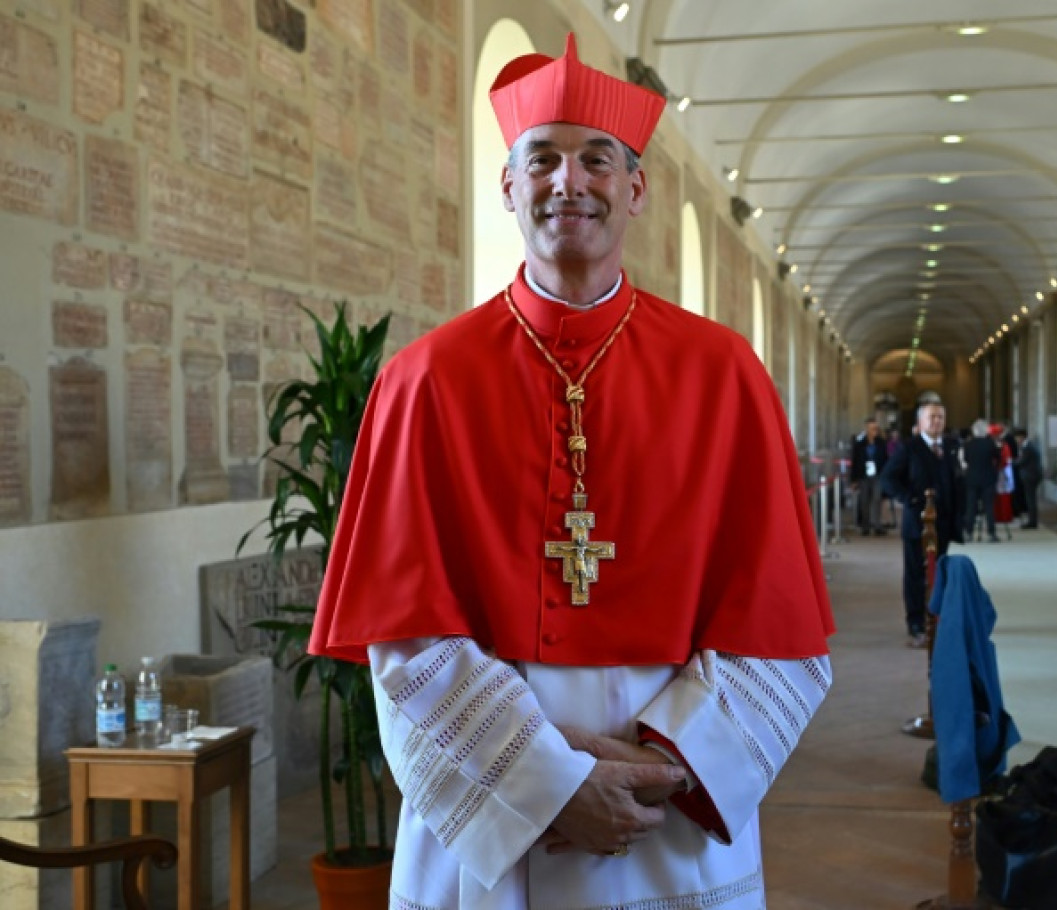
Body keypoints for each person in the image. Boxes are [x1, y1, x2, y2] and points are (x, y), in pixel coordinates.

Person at [307, 34, 834, 910]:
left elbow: (775, 631)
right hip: (492, 830)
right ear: (508, 185)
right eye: (542, 158)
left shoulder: (724, 373)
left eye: (597, 159)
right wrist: (549, 785)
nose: (569, 181)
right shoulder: (424, 380)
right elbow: (402, 641)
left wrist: (662, 769)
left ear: (635, 189)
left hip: (666, 814)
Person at [882, 397, 963, 647]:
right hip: (917, 524)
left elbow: (956, 481)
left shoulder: (950, 445)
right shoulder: (909, 448)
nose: (937, 421)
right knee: (916, 574)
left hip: (945, 524)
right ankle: (916, 622)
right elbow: (888, 478)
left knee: (940, 572)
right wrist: (910, 499)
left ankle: (938, 618)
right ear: (921, 421)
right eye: (932, 417)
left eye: (941, 417)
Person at [962, 419, 999, 542]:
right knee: (989, 507)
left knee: (971, 507)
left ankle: (968, 533)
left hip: (972, 478)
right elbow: (997, 458)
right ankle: (991, 533)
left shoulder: (968, 444)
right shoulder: (990, 443)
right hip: (988, 478)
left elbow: (966, 460)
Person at [850, 417, 888, 535]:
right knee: (864, 500)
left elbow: (886, 459)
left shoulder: (881, 443)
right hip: (863, 475)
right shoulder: (859, 444)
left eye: (876, 428)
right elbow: (855, 461)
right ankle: (865, 526)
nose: (874, 431)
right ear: (867, 429)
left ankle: (877, 524)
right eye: (872, 429)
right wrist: (854, 479)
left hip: (878, 475)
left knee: (877, 499)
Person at [1013, 428, 1043, 529]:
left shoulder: (1028, 447)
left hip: (1030, 476)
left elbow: (1022, 461)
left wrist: (1010, 462)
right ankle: (1032, 520)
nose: (1016, 440)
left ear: (1021, 437)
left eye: (1016, 438)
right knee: (1031, 499)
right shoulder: (1029, 446)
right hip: (1032, 475)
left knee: (1030, 499)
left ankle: (1032, 521)